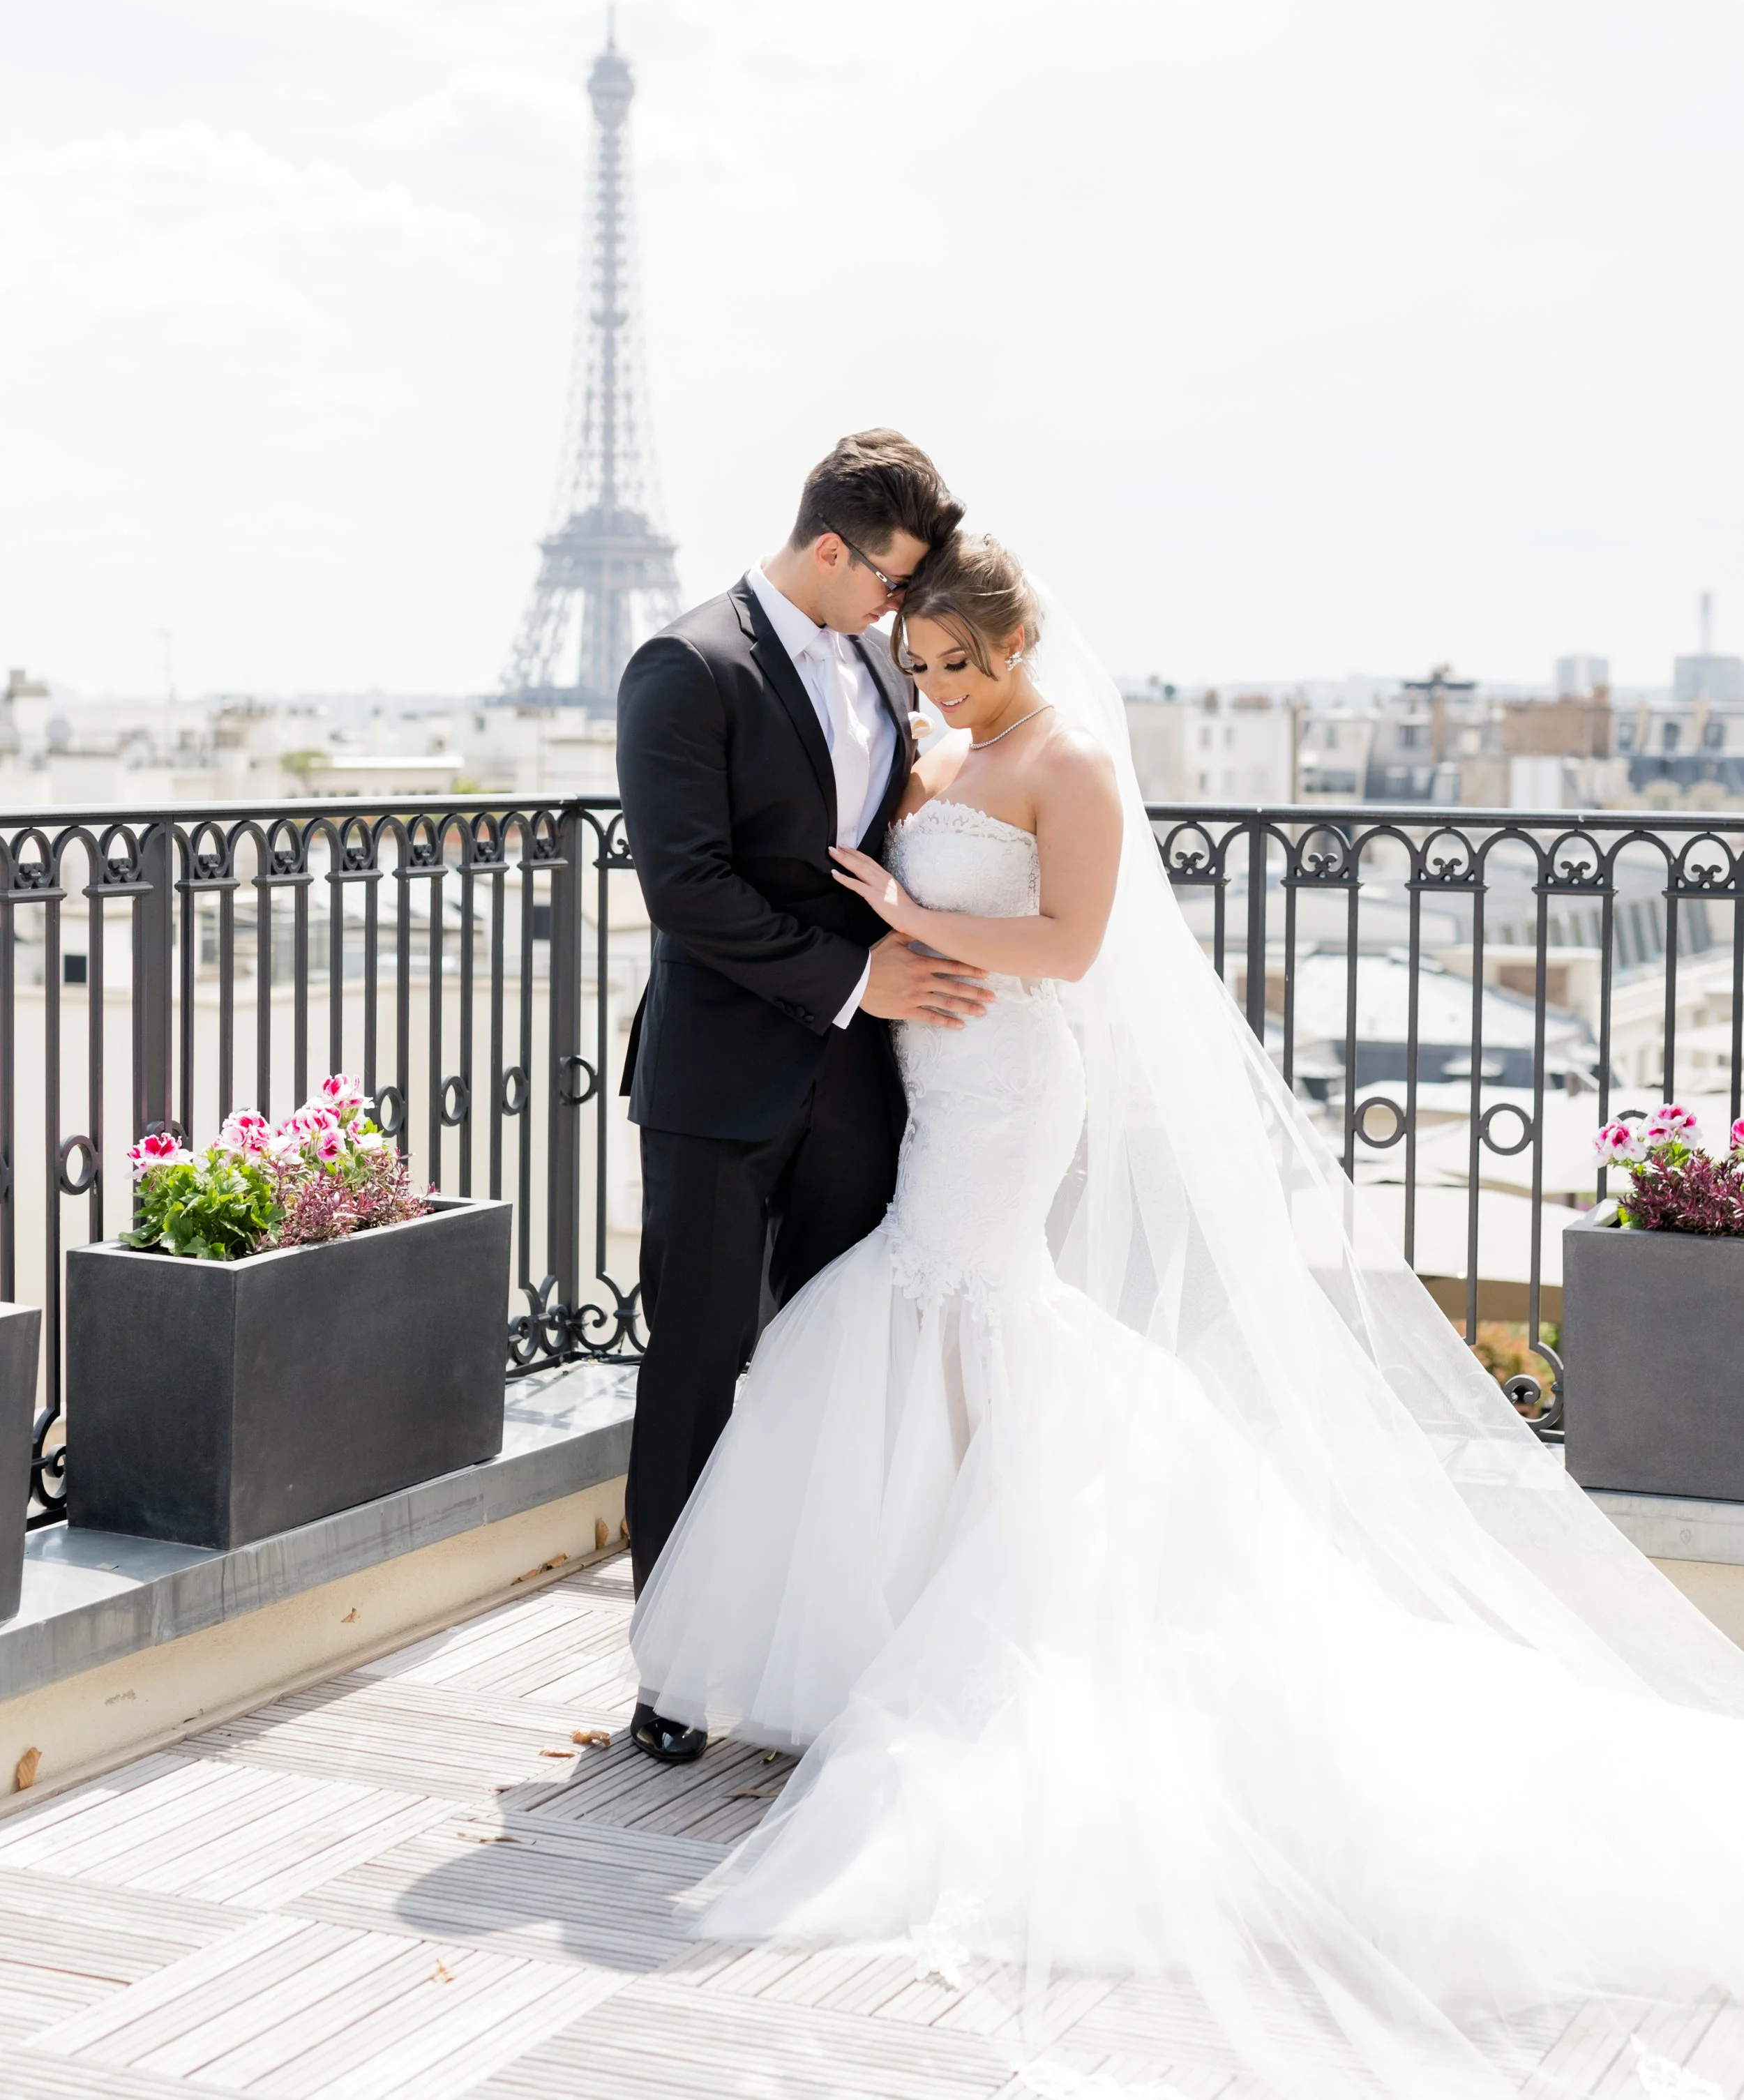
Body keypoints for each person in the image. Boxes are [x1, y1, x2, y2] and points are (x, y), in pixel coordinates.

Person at [630, 531, 1744, 2097]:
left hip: (1005, 1088)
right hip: (928, 1077)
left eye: (962, 659)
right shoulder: (944, 748)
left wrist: (913, 922)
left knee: (954, 1306)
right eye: (925, 662)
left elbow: (1071, 950)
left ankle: (955, 1613)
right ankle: (915, 1601)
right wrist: (882, 928)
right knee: (925, 1322)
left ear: (1021, 640)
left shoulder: (1068, 762)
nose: (938, 683)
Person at [614, 429, 993, 1762]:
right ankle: (668, 1670)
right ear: (830, 549)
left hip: (860, 1089)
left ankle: (808, 1652)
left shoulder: (885, 671)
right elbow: (689, 890)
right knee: (700, 1365)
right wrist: (858, 983)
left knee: (840, 1373)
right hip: (722, 1084)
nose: (904, 610)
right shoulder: (686, 663)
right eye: (890, 581)